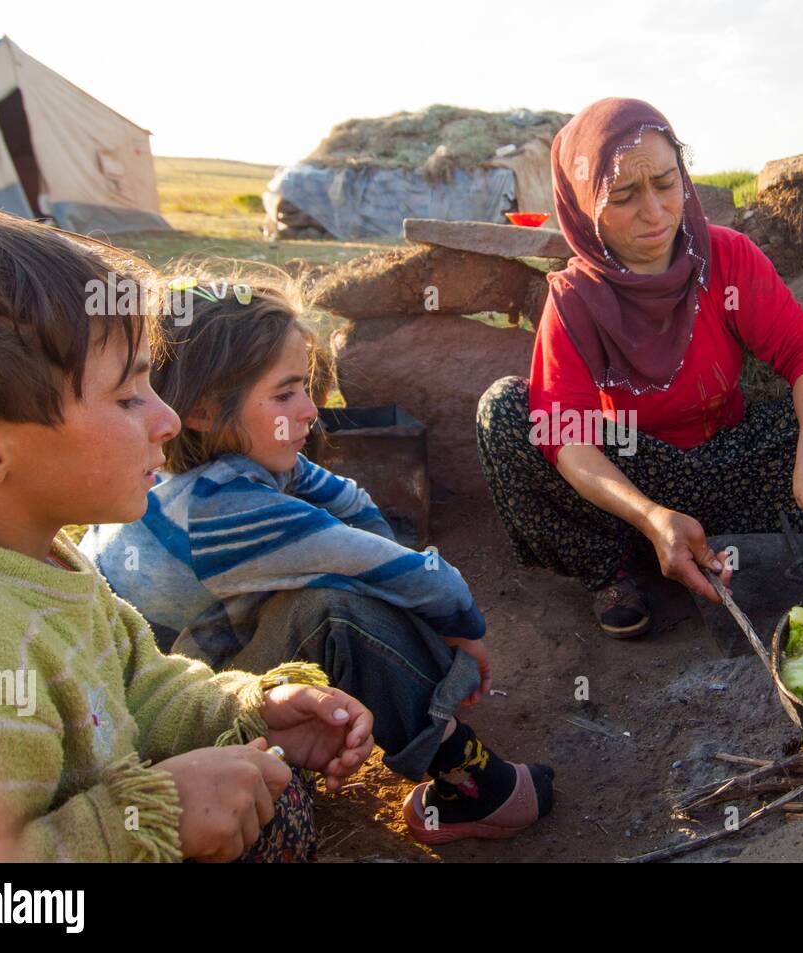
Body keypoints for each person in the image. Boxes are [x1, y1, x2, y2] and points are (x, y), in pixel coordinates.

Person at [0, 199, 373, 862]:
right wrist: (150, 814)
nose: (167, 420)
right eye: (129, 396)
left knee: (268, 785)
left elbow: (140, 684)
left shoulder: (46, 561)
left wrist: (251, 707)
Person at [81, 270, 553, 844]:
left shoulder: (225, 461)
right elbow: (389, 568)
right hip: (169, 729)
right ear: (204, 409)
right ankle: (479, 788)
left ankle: (422, 713)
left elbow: (354, 510)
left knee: (362, 587)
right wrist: (460, 629)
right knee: (338, 608)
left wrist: (401, 592)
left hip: (196, 671)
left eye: (305, 385)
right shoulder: (219, 507)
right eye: (285, 394)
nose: (312, 408)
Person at [476, 98, 803, 638]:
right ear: (584, 208)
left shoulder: (726, 258)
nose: (654, 213)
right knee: (506, 413)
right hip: (633, 473)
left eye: (666, 183)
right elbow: (567, 437)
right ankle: (617, 567)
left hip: (732, 463)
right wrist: (651, 516)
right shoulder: (575, 300)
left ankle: (763, 550)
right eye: (623, 196)